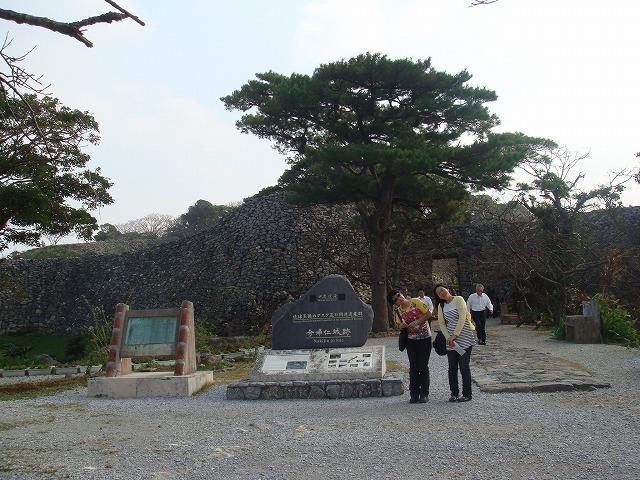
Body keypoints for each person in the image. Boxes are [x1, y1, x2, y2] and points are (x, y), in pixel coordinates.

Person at [387, 289, 432, 403]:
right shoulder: (398, 311)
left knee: (423, 366)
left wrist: (417, 322)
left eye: (398, 295)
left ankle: (424, 394)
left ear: (402, 294)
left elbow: (428, 313)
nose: (399, 299)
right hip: (411, 341)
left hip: (424, 337)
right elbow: (399, 325)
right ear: (395, 303)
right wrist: (401, 326)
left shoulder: (415, 301)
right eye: (395, 300)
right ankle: (414, 394)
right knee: (413, 367)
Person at [434, 283, 476, 402]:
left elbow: (462, 317)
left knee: (464, 366)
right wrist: (448, 337)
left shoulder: (458, 299)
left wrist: (455, 335)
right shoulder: (441, 306)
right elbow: (442, 323)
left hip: (464, 336)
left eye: (442, 290)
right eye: (439, 293)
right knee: (452, 367)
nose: (442, 293)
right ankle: (454, 393)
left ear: (447, 289)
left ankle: (467, 394)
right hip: (450, 340)